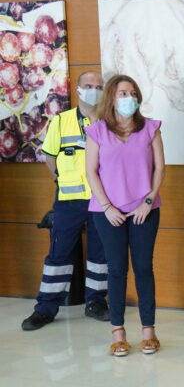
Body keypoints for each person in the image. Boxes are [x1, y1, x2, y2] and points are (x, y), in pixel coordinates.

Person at [21, 71, 110, 331]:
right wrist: (62, 179)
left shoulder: (110, 121)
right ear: (78, 89)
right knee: (58, 254)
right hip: (69, 201)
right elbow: (50, 157)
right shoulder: (61, 121)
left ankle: (96, 303)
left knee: (100, 254)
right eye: (89, 85)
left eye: (99, 86)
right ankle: (45, 309)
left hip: (102, 200)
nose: (94, 90)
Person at [85, 74, 165, 356]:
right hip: (108, 213)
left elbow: (159, 168)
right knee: (117, 269)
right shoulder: (97, 131)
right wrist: (107, 206)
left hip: (145, 209)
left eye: (132, 93)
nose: (129, 98)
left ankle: (149, 331)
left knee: (143, 268)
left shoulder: (151, 129)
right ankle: (118, 332)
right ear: (111, 98)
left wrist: (148, 201)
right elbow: (91, 172)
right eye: (122, 93)